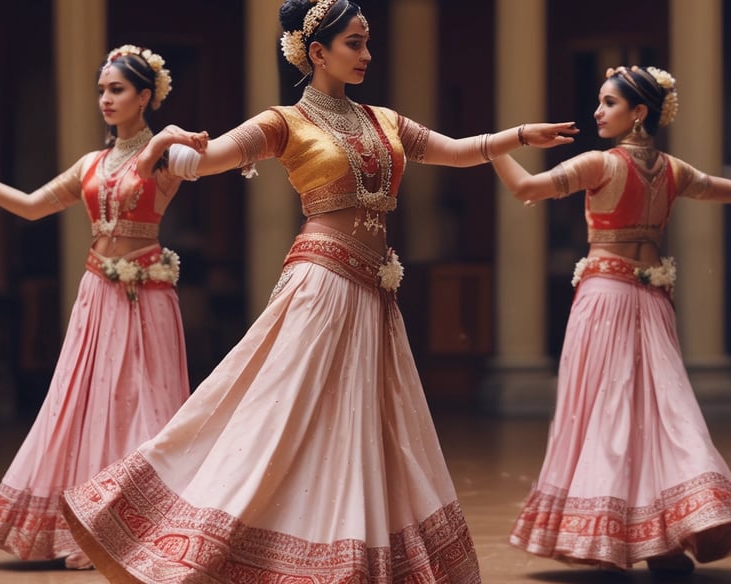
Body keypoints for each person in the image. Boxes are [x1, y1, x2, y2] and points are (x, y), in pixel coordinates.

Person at [60, 2, 576, 582]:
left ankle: (345, 555)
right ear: (317, 52)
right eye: (354, 43)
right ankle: (190, 530)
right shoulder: (284, 122)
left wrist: (518, 135)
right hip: (321, 283)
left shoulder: (384, 119)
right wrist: (167, 142)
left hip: (373, 293)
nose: (366, 54)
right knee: (274, 416)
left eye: (367, 42)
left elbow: (453, 151)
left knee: (363, 427)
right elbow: (206, 161)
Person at [491, 65, 731, 575]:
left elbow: (527, 189)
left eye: (609, 103)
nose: (598, 112)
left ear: (638, 111)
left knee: (606, 410)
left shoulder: (600, 164)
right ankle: (660, 540)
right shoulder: (673, 169)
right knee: (658, 412)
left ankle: (614, 536)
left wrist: (493, 149)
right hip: (652, 300)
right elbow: (721, 188)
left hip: (605, 299)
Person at [0, 44, 195, 570]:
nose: (106, 99)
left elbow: (176, 161)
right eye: (101, 90)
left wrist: (164, 136)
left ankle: (135, 528)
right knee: (90, 405)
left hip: (147, 296)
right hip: (98, 295)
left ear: (145, 95)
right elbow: (31, 206)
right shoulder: (92, 164)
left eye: (117, 89)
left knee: (145, 405)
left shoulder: (166, 158)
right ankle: (88, 526)